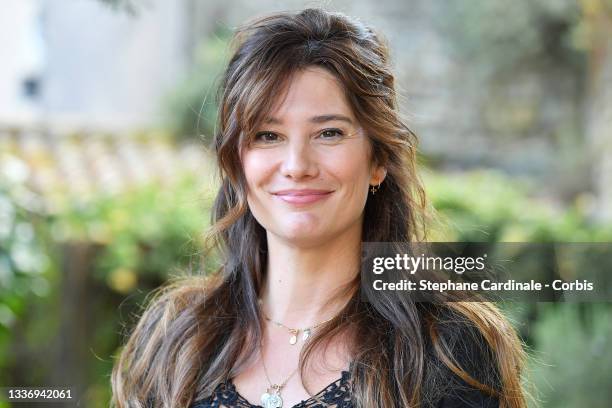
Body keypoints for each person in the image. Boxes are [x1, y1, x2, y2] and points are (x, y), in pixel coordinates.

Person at [111, 8, 527, 408]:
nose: (297, 166)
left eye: (329, 133)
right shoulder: (174, 340)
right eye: (267, 136)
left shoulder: (447, 351)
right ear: (237, 162)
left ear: (378, 160)